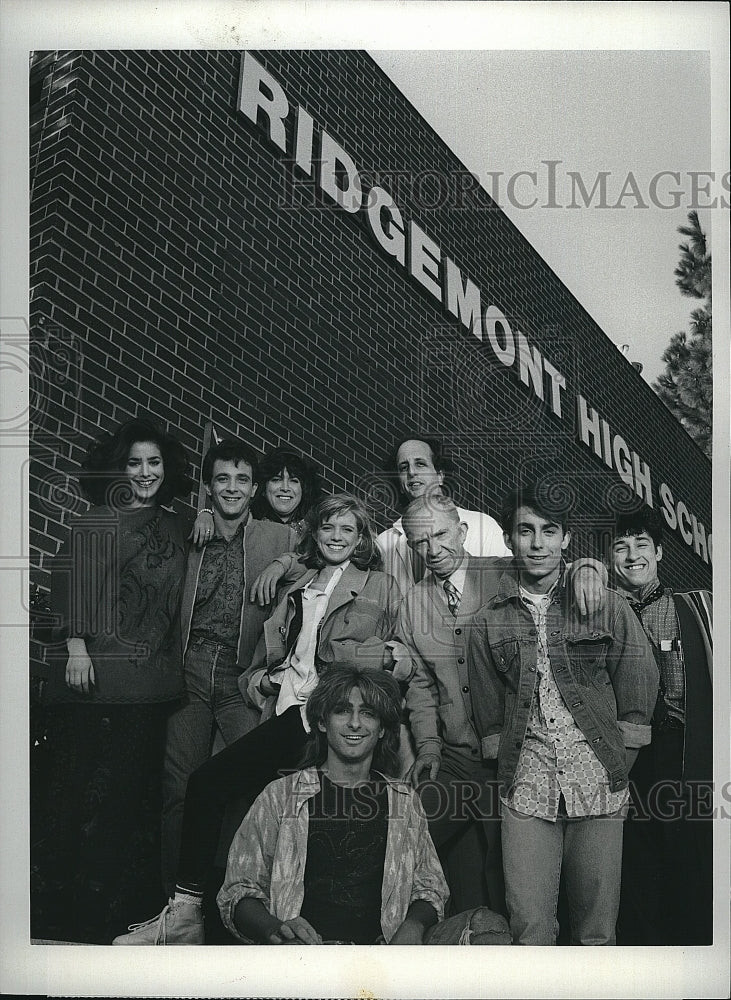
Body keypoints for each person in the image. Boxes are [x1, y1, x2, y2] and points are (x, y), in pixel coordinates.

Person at [114, 494, 401, 945]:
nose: (337, 537)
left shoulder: (380, 586)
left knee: (208, 784)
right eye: (328, 528)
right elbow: (256, 667)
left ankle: (186, 915)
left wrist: (370, 659)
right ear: (316, 532)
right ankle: (210, 920)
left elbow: (398, 655)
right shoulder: (297, 585)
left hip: (321, 717)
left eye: (348, 529)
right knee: (245, 818)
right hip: (279, 710)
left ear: (361, 537)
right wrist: (262, 682)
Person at [398, 492, 607, 917]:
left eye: (440, 535)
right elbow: (420, 687)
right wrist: (429, 747)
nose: (433, 550)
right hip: (455, 757)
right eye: (420, 542)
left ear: (462, 531)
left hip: (516, 756)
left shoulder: (506, 573)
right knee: (405, 841)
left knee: (515, 884)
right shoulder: (411, 605)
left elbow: (558, 571)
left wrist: (590, 567)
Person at [468, 482, 659, 945]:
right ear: (510, 539)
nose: (537, 543)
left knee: (596, 933)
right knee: (531, 928)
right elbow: (489, 712)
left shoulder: (603, 603)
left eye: (549, 531)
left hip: (598, 783)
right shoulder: (487, 620)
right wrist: (508, 764)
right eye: (526, 531)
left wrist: (617, 761)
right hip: (527, 788)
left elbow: (639, 684)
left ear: (566, 539)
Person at [32, 417, 193, 943]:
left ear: (167, 471)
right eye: (133, 462)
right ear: (117, 467)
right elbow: (69, 582)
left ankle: (103, 916)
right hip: (91, 679)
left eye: (154, 463)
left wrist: (208, 516)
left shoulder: (178, 527)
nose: (144, 473)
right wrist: (76, 645)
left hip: (149, 691)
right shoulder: (98, 518)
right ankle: (53, 911)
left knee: (125, 804)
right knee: (72, 796)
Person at [217, 665, 512, 945]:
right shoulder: (280, 796)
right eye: (342, 711)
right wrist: (275, 929)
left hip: (381, 961)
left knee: (490, 927)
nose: (355, 723)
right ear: (322, 722)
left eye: (368, 713)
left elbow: (430, 888)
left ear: (382, 729)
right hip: (306, 958)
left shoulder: (404, 801)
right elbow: (238, 891)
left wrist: (412, 926)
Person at [160, 438, 301, 898]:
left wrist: (281, 563)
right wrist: (200, 514)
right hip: (191, 672)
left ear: (254, 487)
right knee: (180, 790)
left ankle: (234, 902)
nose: (233, 488)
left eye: (242, 480)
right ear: (209, 486)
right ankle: (174, 903)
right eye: (222, 479)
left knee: (249, 784)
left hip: (242, 677)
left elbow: (321, 551)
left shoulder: (277, 535)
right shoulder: (191, 529)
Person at [607, 507, 713, 945]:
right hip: (625, 757)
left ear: (660, 552)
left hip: (684, 752)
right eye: (621, 546)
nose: (632, 555)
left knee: (690, 865)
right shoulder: (600, 612)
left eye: (641, 545)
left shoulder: (700, 607)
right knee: (635, 867)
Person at [376, 437, 511, 596]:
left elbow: (509, 587)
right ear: (399, 483)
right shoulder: (385, 543)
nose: (412, 472)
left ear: (440, 476)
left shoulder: (483, 526)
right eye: (404, 467)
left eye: (420, 463)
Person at [191, 445, 323, 543]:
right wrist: (207, 514)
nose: (285, 488)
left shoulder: (317, 529)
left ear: (304, 488)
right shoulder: (249, 522)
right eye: (276, 480)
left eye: (294, 481)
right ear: (263, 487)